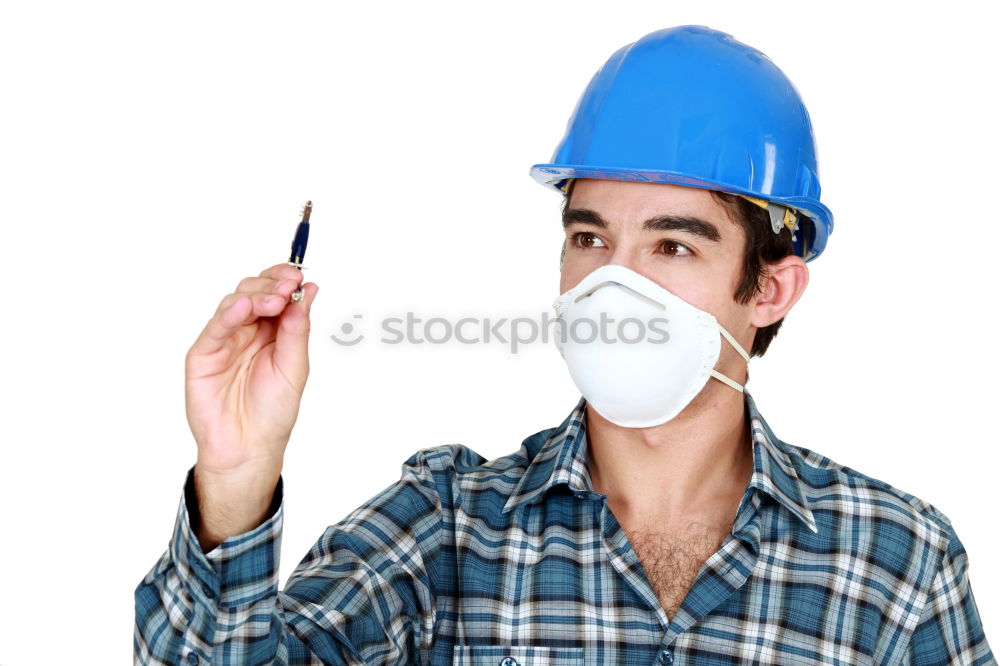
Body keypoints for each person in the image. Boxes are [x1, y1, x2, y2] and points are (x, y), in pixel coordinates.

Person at [134, 26, 995, 665]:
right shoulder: (445, 532)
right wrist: (235, 481)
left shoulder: (896, 564)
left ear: (768, 288)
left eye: (673, 245)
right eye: (589, 238)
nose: (611, 284)